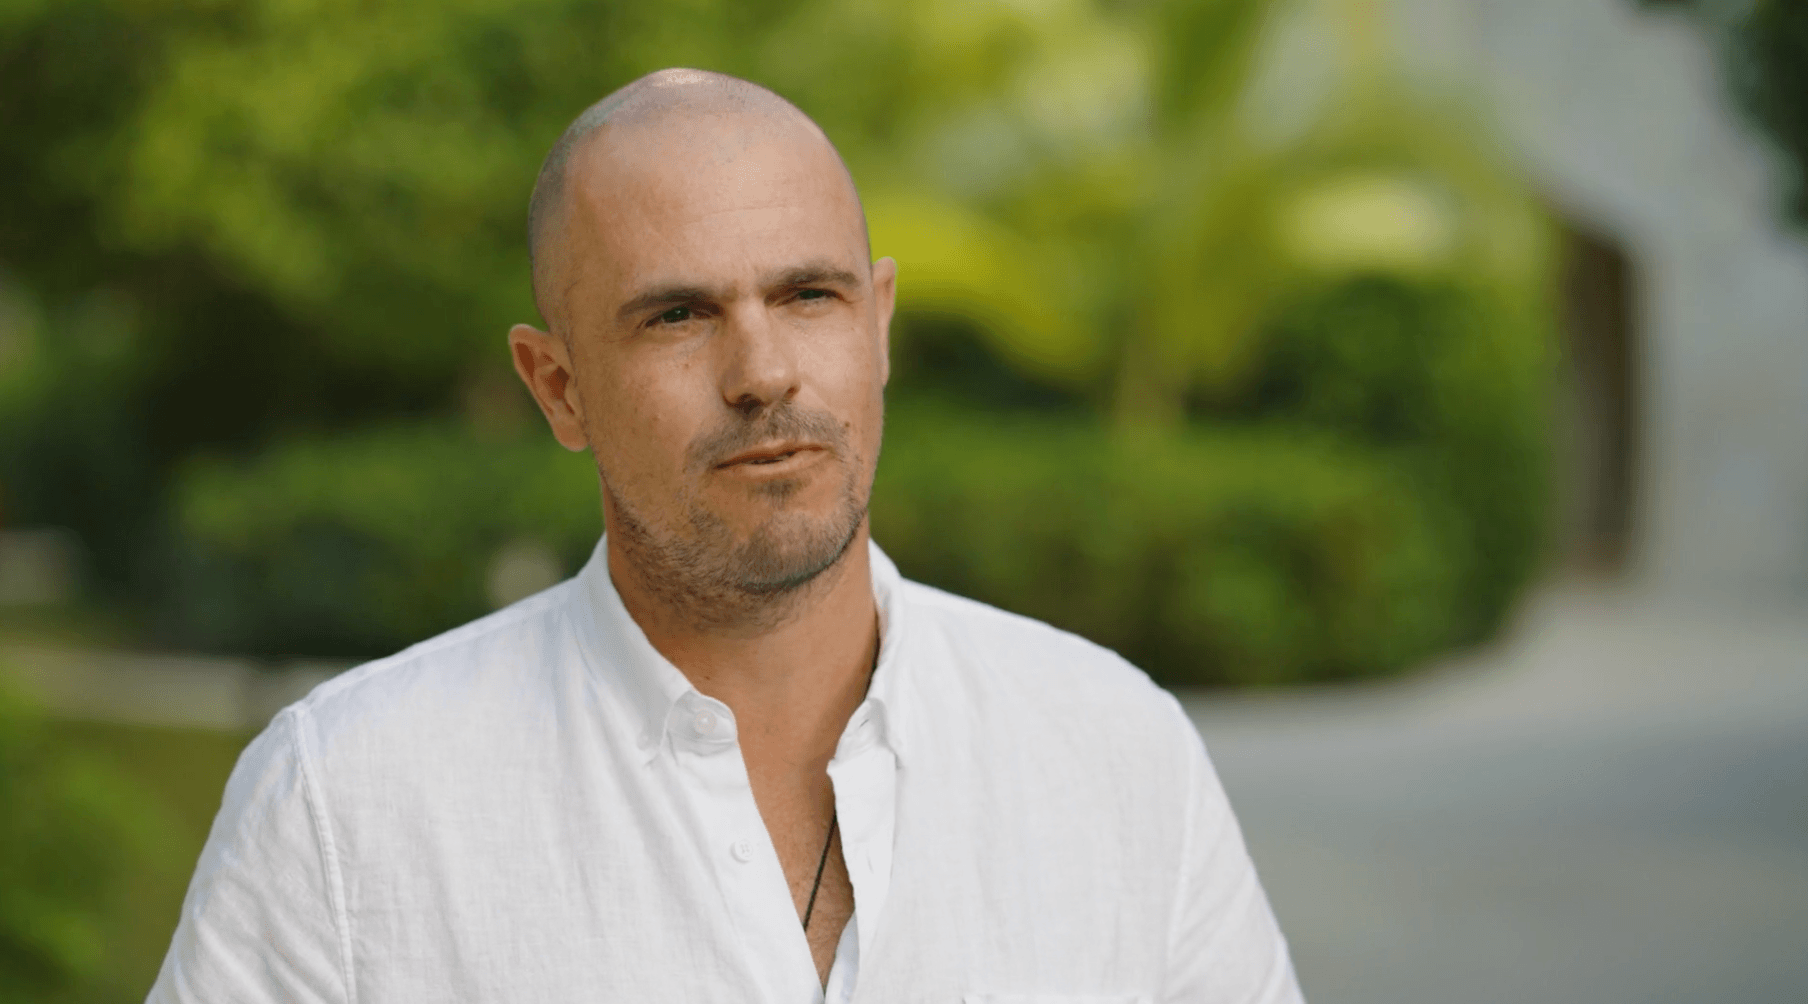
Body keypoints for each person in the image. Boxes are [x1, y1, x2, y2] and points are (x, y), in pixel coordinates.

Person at [148, 68, 1303, 1004]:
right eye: (677, 315)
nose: (762, 373)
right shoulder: (347, 805)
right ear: (557, 386)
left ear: (880, 325)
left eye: (809, 296)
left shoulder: (1116, 751)